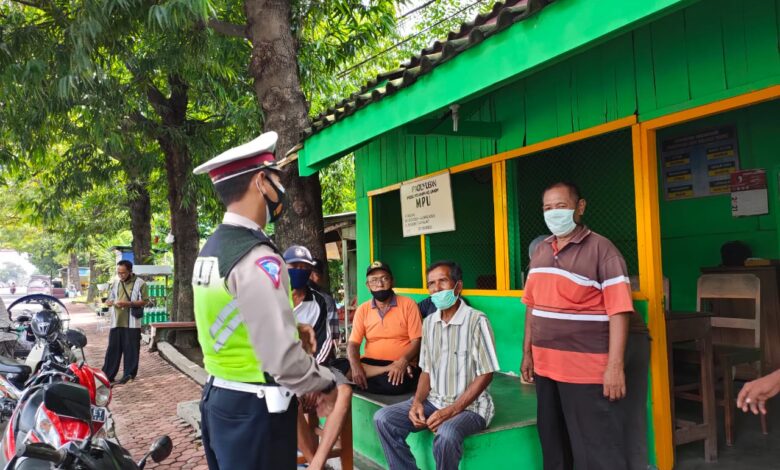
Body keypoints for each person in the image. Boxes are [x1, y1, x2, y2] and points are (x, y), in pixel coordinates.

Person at [192, 131, 338, 470]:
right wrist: (324, 384)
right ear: (261, 181)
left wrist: (293, 326)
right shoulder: (257, 257)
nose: (281, 188)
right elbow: (282, 360)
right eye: (277, 178)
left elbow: (233, 315)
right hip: (256, 410)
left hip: (219, 401)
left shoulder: (211, 250)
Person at [521, 181, 650, 470]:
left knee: (595, 448)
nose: (554, 213)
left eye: (561, 206)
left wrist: (614, 367)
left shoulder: (603, 250)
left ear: (580, 207)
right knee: (554, 442)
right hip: (546, 367)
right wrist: (527, 352)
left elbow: (619, 310)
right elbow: (532, 306)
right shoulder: (540, 251)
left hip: (586, 370)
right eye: (547, 208)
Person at [374, 260, 500, 469]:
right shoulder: (429, 323)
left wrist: (451, 410)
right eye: (431, 284)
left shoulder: (477, 321)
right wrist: (417, 402)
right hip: (434, 402)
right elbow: (426, 370)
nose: (436, 288)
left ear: (458, 286)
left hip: (472, 408)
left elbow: (486, 374)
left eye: (443, 281)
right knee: (383, 419)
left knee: (447, 434)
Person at [333, 261, 422, 395]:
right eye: (374, 280)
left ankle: (356, 380)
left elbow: (417, 341)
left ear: (392, 281)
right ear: (368, 285)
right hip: (370, 363)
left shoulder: (409, 305)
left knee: (396, 383)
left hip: (400, 363)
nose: (379, 284)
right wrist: (356, 367)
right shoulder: (363, 309)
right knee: (334, 368)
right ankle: (377, 373)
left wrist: (403, 361)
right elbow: (353, 344)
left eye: (384, 279)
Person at [102, 260, 149, 385]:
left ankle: (129, 375)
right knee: (113, 350)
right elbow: (111, 298)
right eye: (118, 272)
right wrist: (109, 302)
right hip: (116, 321)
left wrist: (127, 303)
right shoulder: (116, 282)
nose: (120, 275)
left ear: (130, 271)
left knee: (131, 350)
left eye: (123, 273)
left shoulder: (140, 283)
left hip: (132, 323)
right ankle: (108, 375)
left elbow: (145, 301)